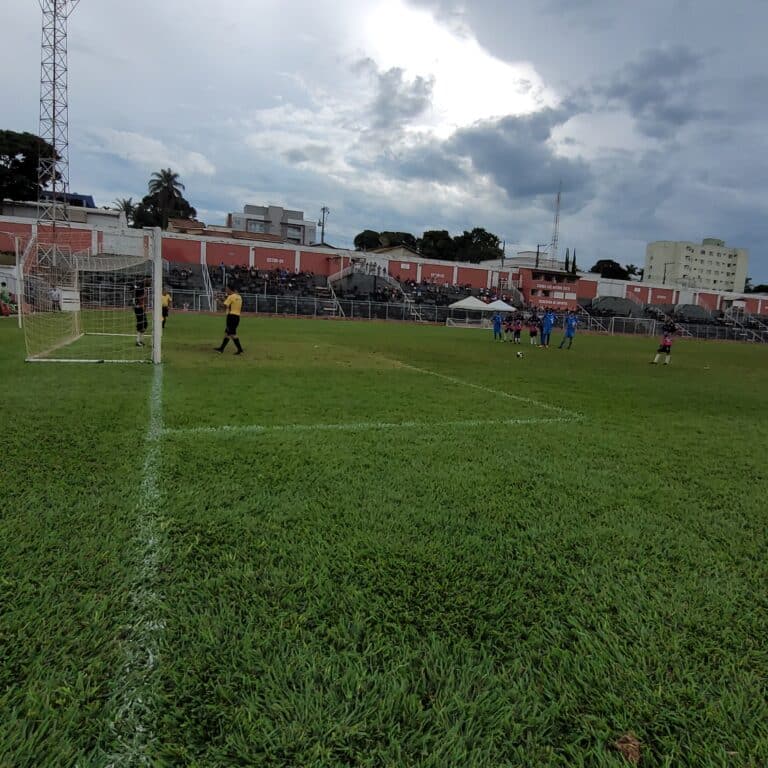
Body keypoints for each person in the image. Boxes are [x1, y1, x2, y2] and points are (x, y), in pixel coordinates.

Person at [215, 285, 244, 355]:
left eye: (227, 289)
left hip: (231, 316)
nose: (226, 291)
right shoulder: (239, 297)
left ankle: (240, 350)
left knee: (232, 334)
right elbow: (232, 304)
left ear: (230, 290)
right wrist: (223, 299)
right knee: (227, 333)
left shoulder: (230, 297)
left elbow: (224, 306)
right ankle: (221, 349)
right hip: (237, 316)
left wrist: (217, 300)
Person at [133, 278, 150, 346]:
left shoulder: (143, 288)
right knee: (141, 324)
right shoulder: (141, 289)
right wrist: (144, 297)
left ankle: (141, 340)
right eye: (149, 281)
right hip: (138, 307)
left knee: (145, 324)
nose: (150, 282)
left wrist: (145, 307)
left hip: (140, 307)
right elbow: (139, 298)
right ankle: (138, 341)